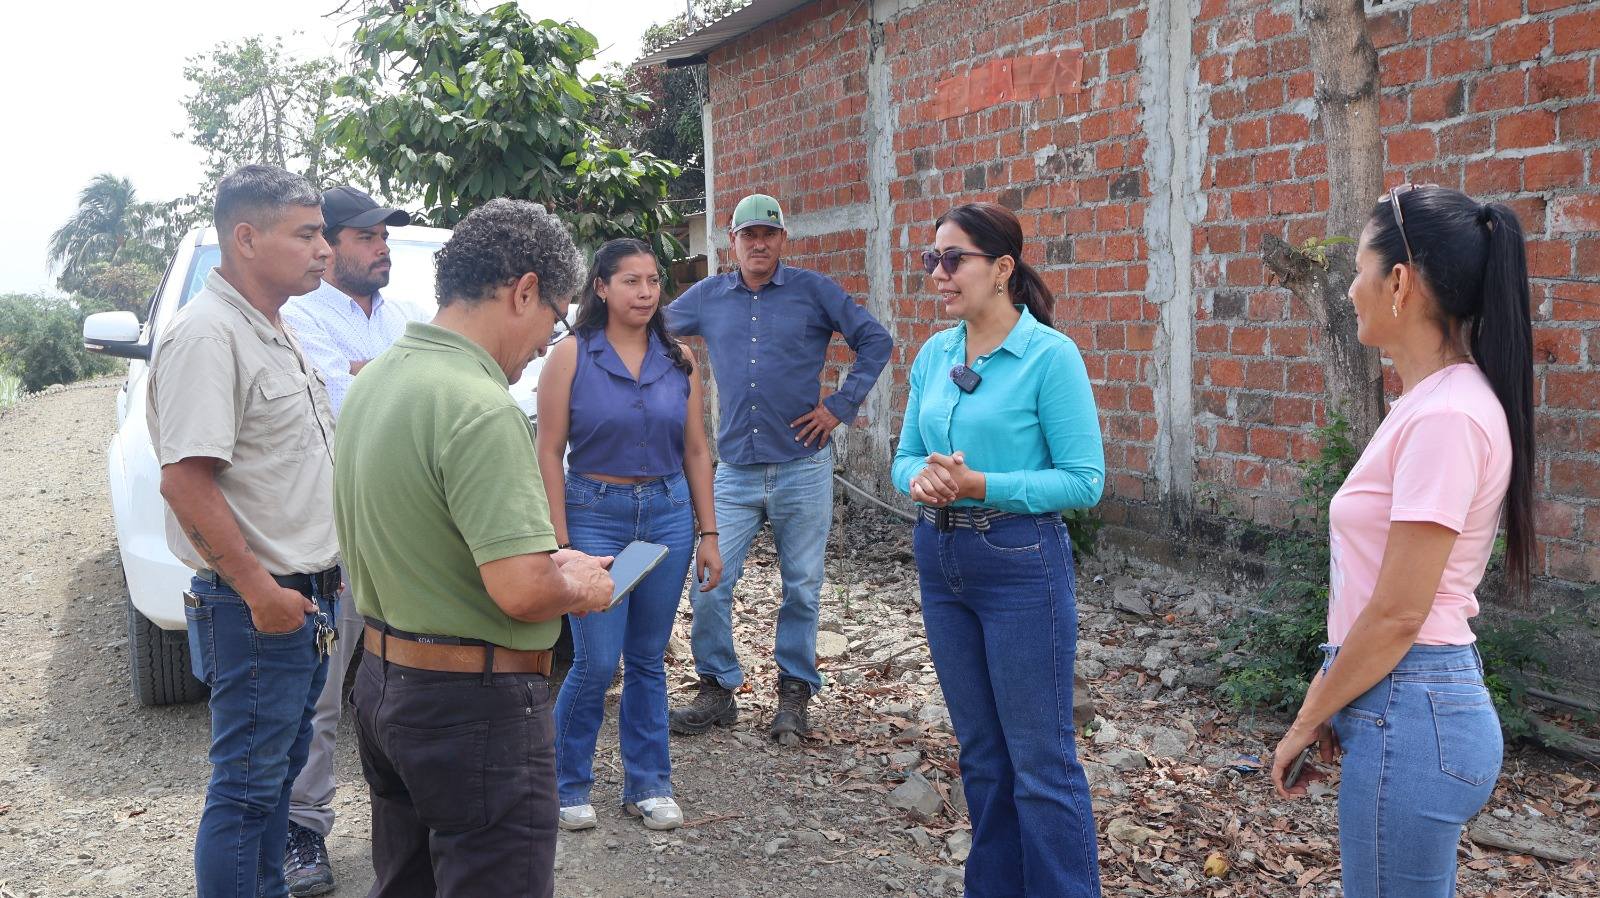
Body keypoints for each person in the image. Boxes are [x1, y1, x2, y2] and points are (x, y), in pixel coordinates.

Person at [333, 199, 614, 897]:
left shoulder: (378, 379)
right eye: (554, 318)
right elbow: (521, 590)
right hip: (472, 708)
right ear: (524, 290)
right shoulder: (479, 406)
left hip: (384, 684)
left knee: (406, 883)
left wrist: (546, 564)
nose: (546, 344)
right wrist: (577, 584)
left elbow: (429, 537)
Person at [1271, 185, 1535, 898]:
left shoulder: (1447, 417)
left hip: (1413, 708)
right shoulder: (1434, 404)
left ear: (1398, 282)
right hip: (1404, 702)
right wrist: (1338, 694)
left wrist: (1307, 718)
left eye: (1358, 269)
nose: (1349, 289)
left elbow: (1398, 612)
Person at [891, 202, 1105, 898]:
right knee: (982, 757)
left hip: (1020, 564)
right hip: (941, 559)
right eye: (933, 259)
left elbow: (1084, 481)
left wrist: (983, 484)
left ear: (1003, 268)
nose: (938, 273)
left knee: (1041, 764)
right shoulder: (934, 354)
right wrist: (921, 480)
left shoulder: (1050, 356)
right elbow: (903, 458)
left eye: (954, 259)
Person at [148, 164, 341, 898]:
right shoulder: (208, 333)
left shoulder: (271, 325)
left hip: (301, 598)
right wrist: (261, 593)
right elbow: (185, 482)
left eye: (323, 233)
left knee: (275, 780)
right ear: (247, 238)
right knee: (246, 790)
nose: (324, 249)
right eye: (307, 234)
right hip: (259, 606)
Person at [665, 194, 892, 744]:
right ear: (733, 242)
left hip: (802, 466)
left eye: (769, 234)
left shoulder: (813, 291)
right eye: (749, 235)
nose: (759, 244)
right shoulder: (709, 296)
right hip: (735, 471)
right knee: (709, 581)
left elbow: (875, 340)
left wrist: (839, 406)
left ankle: (794, 691)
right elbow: (650, 329)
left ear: (783, 239)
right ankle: (717, 687)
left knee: (802, 587)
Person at [535, 238, 723, 832]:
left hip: (667, 514)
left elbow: (697, 450)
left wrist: (709, 531)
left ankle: (649, 785)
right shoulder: (572, 354)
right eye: (630, 281)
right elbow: (548, 450)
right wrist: (560, 541)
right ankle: (567, 785)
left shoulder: (679, 358)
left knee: (647, 658)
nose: (645, 293)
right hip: (595, 513)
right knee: (596, 661)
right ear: (601, 287)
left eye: (652, 281)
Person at [278, 185, 413, 897]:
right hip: (333, 535)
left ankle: (411, 821)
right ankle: (302, 827)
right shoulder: (299, 316)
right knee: (324, 691)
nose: (381, 247)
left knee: (412, 677)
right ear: (327, 246)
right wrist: (393, 379)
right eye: (367, 236)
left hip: (403, 528)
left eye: (384, 235)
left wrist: (371, 376)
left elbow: (397, 391)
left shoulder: (402, 316)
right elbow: (339, 400)